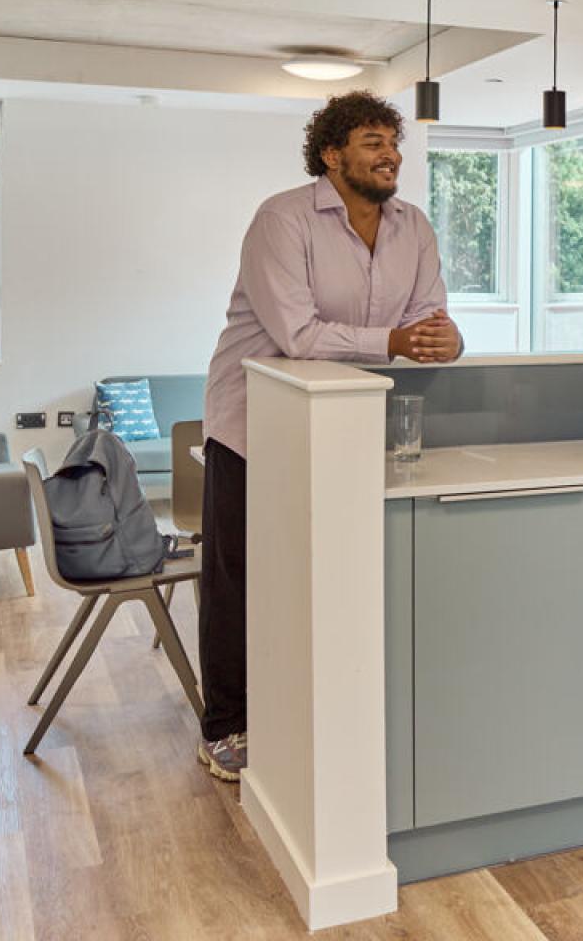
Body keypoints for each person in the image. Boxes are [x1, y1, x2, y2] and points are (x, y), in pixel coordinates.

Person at [196, 90, 462, 782]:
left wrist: (445, 338)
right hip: (252, 422)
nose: (390, 154)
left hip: (344, 427)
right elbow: (298, 334)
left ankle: (306, 706)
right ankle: (226, 723)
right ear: (332, 153)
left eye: (394, 143)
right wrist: (399, 340)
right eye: (373, 141)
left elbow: (430, 316)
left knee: (327, 572)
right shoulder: (281, 220)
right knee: (241, 577)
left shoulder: (414, 226)